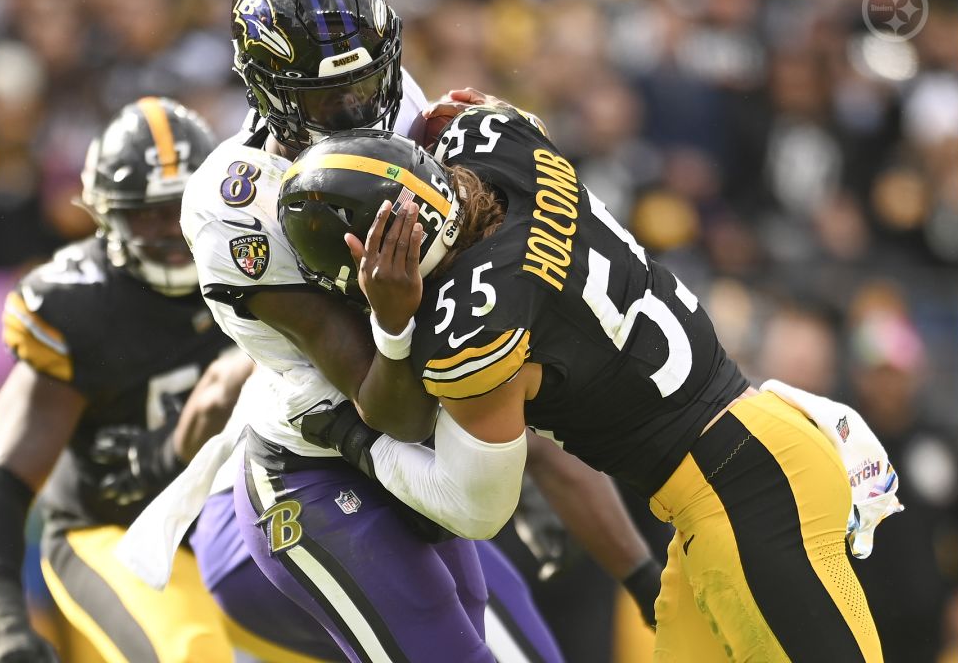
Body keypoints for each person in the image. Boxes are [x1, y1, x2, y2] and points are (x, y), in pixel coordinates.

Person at [139, 0, 658, 661]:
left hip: (421, 440)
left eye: (365, 85)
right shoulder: (240, 209)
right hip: (321, 468)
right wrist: (390, 319)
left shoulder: (403, 101)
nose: (358, 112)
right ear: (270, 92)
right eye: (328, 101)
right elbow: (392, 409)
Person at [277, 89, 890, 662]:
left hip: (744, 495)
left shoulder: (476, 321)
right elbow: (484, 115)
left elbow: (475, 508)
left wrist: (365, 410)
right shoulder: (496, 140)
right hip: (747, 460)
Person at [0, 97, 254, 663]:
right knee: (192, 654)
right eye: (147, 213)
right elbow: (5, 474)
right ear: (106, 215)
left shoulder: (254, 264)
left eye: (179, 207)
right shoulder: (79, 306)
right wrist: (1, 611)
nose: (170, 230)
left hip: (232, 524)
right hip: (110, 530)